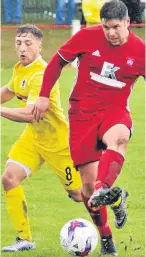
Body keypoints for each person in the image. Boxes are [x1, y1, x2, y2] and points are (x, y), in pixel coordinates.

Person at [33, 0, 145, 255]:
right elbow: (57, 62)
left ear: (128, 22)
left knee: (118, 139)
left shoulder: (141, 52)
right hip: (82, 114)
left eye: (116, 27)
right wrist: (43, 94)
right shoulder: (86, 36)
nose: (111, 33)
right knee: (87, 189)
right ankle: (106, 232)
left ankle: (105, 190)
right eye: (106, 28)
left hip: (114, 112)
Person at [0, 24, 83, 252]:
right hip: (34, 139)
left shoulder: (42, 73)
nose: (22, 48)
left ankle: (113, 200)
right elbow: (9, 90)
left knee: (78, 194)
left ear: (40, 45)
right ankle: (24, 239)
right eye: (18, 43)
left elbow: (30, 114)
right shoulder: (20, 69)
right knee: (9, 178)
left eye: (28, 43)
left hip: (58, 143)